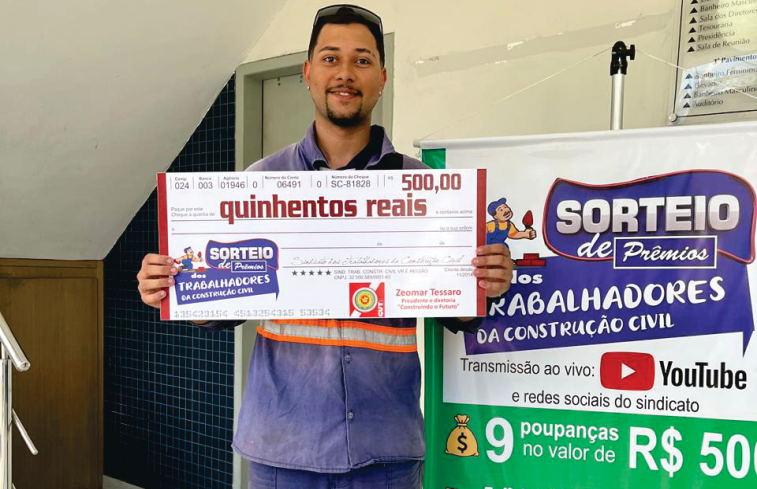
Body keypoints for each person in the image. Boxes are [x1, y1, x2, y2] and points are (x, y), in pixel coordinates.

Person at [136, 5, 514, 488]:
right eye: (331, 58)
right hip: (284, 449)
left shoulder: (423, 187)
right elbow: (223, 306)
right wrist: (175, 287)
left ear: (382, 78)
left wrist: (486, 281)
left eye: (362, 60)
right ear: (308, 73)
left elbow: (458, 313)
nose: (345, 73)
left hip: (386, 451)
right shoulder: (260, 183)